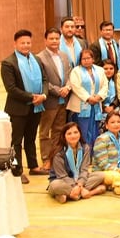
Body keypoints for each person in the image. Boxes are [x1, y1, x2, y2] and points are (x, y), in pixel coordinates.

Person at [2, 29, 49, 184]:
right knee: (16, 141)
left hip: (36, 107)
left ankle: (34, 166)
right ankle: (17, 170)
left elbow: (44, 80)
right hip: (18, 109)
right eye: (22, 43)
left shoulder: (36, 59)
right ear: (15, 44)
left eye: (28, 42)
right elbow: (11, 88)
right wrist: (31, 97)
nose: (26, 45)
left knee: (30, 138)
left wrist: (43, 95)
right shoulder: (8, 63)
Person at [35, 27, 72, 174]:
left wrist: (68, 87)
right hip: (50, 100)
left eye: (57, 38)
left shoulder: (63, 55)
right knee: (45, 132)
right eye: (51, 38)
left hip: (64, 100)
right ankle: (46, 158)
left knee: (58, 131)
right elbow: (42, 81)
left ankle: (56, 156)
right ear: (45, 40)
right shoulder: (40, 58)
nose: (55, 41)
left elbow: (69, 74)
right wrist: (58, 91)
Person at [47, 122, 106, 203]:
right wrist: (80, 188)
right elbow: (62, 176)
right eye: (69, 133)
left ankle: (67, 195)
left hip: (79, 179)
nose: (73, 136)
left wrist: (80, 184)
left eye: (75, 132)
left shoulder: (85, 148)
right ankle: (88, 193)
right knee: (55, 185)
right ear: (64, 136)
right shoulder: (58, 153)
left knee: (100, 175)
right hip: (62, 181)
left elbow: (84, 170)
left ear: (80, 134)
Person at [67, 49, 109, 146]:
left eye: (88, 58)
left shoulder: (100, 70)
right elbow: (75, 86)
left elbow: (105, 85)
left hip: (96, 105)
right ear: (80, 60)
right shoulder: (76, 71)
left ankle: (95, 153)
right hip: (81, 106)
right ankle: (83, 153)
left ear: (93, 59)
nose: (86, 60)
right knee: (83, 130)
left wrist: (98, 97)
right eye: (83, 59)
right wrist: (88, 98)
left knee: (95, 130)